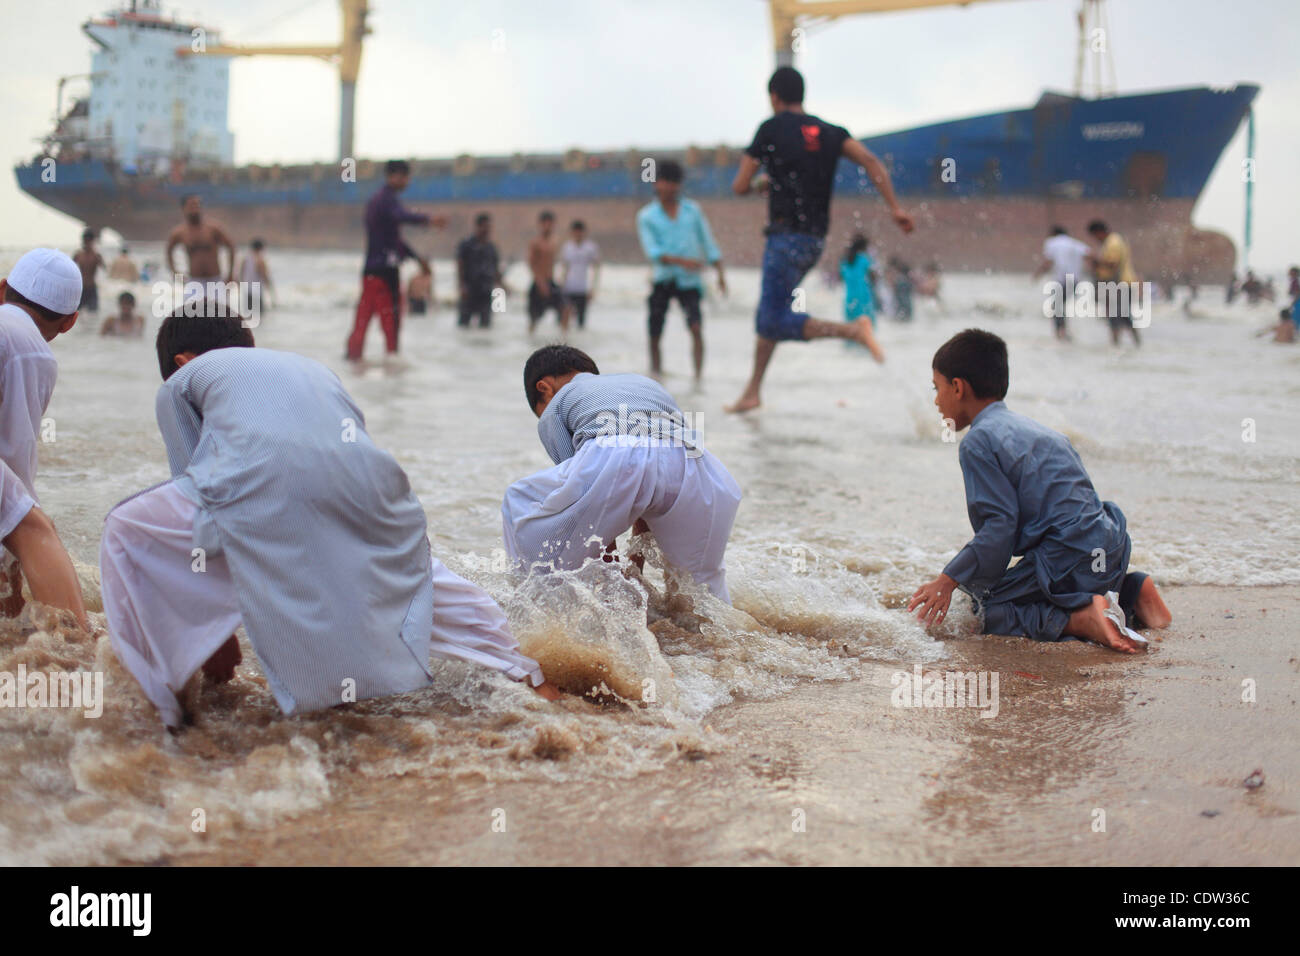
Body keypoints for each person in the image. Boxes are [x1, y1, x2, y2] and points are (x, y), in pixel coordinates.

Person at [99, 307, 558, 730]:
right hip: (377, 492)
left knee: (126, 530)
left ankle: (165, 710)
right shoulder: (309, 368)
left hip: (264, 487)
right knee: (408, 579)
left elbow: (198, 495)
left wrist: (215, 635)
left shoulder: (181, 383)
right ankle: (532, 680)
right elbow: (342, 448)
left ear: (181, 361)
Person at [909, 329, 1171, 653]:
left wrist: (948, 581)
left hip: (1070, 557)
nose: (935, 400)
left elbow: (999, 528)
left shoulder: (978, 441)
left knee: (988, 610)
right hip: (1110, 550)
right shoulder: (1041, 430)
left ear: (958, 387)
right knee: (1051, 578)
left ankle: (1083, 620)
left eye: (937, 388)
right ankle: (1133, 590)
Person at [727, 67, 912, 413]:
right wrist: (896, 208)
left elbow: (739, 187)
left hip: (784, 239)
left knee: (770, 320)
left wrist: (761, 183)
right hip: (814, 242)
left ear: (774, 97)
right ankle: (752, 391)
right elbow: (871, 161)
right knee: (774, 310)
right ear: (801, 95)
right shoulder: (829, 131)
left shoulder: (769, 129)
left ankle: (853, 331)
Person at [502, 345, 742, 603]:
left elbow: (591, 505)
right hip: (696, 466)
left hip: (615, 453)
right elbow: (645, 492)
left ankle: (531, 608)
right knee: (702, 591)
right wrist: (634, 570)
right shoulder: (644, 383)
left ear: (544, 389)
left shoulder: (556, 405)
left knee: (518, 499)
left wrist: (616, 576)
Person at [0, 250, 90, 629]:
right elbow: (15, 457)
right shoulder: (33, 352)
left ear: (3, 288)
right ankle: (80, 656)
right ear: (69, 322)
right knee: (36, 529)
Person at [635, 160, 726, 380]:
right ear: (657, 184)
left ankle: (698, 377)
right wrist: (683, 262)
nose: (670, 188)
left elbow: (708, 242)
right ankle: (656, 375)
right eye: (666, 182)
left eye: (675, 183)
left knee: (696, 328)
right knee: (655, 332)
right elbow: (653, 253)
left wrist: (721, 274)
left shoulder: (692, 211)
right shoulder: (647, 216)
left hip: (690, 282)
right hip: (663, 279)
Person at [345, 160, 443, 361]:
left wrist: (417, 259)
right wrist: (428, 220)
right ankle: (392, 369)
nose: (407, 182)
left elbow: (394, 240)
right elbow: (401, 217)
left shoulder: (379, 201)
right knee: (391, 325)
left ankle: (353, 363)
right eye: (405, 177)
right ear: (394, 176)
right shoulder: (386, 201)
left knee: (362, 322)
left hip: (371, 273)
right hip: (385, 273)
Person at [166, 195, 236, 296]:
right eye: (191, 206)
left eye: (197, 205)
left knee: (219, 311)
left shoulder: (213, 228)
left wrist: (230, 275)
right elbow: (169, 251)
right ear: (184, 209)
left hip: (215, 280)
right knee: (191, 311)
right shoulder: (180, 233)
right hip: (194, 282)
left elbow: (231, 247)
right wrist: (175, 272)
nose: (195, 209)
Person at [1087, 219, 1140, 346]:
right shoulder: (1114, 241)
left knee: (1115, 315)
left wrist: (1095, 260)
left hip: (1119, 284)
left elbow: (1113, 264)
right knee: (1123, 315)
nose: (1095, 239)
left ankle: (1116, 344)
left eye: (1094, 236)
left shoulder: (1113, 242)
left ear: (1099, 232)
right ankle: (1135, 343)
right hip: (1122, 283)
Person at [1034, 225, 1090, 340]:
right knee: (1060, 306)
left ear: (1053, 233)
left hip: (1061, 281)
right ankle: (1064, 333)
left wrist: (1038, 274)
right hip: (1075, 282)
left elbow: (1049, 261)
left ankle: (1060, 334)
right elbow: (1091, 255)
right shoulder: (1075, 243)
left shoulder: (1052, 242)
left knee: (1056, 307)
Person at [456, 213, 502, 329]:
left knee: (485, 326)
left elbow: (495, 268)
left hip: (486, 291)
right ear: (478, 226)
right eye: (485, 226)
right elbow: (460, 265)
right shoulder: (466, 245)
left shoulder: (491, 248)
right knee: (464, 325)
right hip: (470, 289)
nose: (487, 230)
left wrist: (501, 285)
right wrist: (461, 286)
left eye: (489, 227)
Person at [558, 220, 601, 330]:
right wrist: (561, 284)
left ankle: (579, 342)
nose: (577, 234)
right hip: (568, 287)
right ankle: (565, 340)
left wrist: (593, 288)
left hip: (582, 288)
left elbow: (596, 268)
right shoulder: (567, 247)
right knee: (565, 315)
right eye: (575, 232)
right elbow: (564, 267)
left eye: (579, 232)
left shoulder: (591, 248)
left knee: (581, 321)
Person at [527, 211, 563, 333]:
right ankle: (529, 342)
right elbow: (531, 264)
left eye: (550, 224)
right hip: (538, 283)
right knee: (534, 318)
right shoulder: (536, 242)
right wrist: (540, 282)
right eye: (545, 224)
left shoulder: (554, 241)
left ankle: (564, 339)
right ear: (540, 224)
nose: (548, 226)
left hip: (551, 281)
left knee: (565, 308)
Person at [839, 233, 877, 328]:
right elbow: (874, 278)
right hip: (864, 299)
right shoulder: (865, 259)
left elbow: (841, 278)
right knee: (868, 332)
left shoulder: (845, 261)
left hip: (850, 299)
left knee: (851, 331)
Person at [236, 238, 273, 317]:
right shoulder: (260, 260)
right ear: (261, 248)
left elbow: (240, 275)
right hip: (256, 292)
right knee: (259, 316)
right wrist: (271, 291)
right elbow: (265, 276)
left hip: (247, 291)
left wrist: (240, 287)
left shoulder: (245, 259)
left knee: (248, 315)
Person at [71, 228, 105, 314]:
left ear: (93, 241)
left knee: (93, 315)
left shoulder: (96, 256)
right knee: (76, 315)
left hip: (92, 289)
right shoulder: (78, 255)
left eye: (88, 241)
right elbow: (69, 270)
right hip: (81, 290)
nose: (86, 243)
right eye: (85, 241)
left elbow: (105, 270)